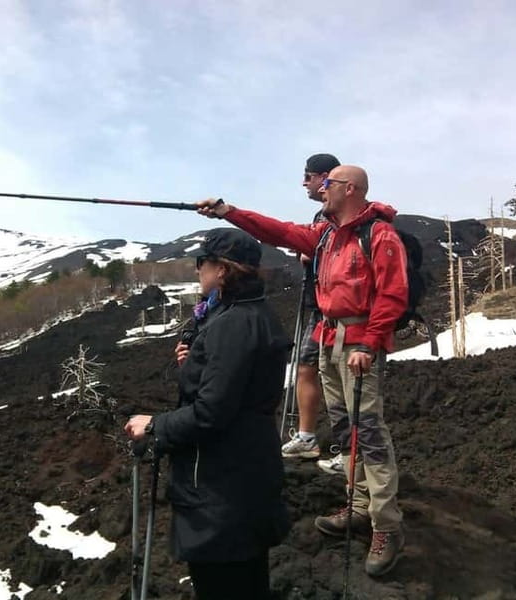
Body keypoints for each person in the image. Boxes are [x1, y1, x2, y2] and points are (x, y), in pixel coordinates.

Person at [196, 165, 406, 577]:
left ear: (349, 189)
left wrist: (368, 342)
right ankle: (360, 505)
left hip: (357, 342)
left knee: (370, 432)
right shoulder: (325, 233)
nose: (320, 190)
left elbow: (393, 293)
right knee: (346, 429)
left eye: (327, 184)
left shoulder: (380, 235)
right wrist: (228, 211)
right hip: (330, 340)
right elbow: (277, 231)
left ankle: (387, 526)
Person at [124, 228, 291, 599]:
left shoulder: (232, 324)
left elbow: (211, 412)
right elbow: (232, 388)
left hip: (222, 489)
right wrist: (193, 364)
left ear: (222, 270)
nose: (198, 270)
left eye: (203, 263)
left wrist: (154, 425)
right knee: (249, 581)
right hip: (246, 474)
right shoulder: (248, 313)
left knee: (224, 584)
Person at [281, 153, 350, 479]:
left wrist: (309, 256)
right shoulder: (328, 216)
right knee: (311, 368)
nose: (303, 182)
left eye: (308, 176)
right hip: (322, 309)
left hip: (330, 312)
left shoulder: (332, 217)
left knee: (332, 376)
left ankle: (347, 451)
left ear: (325, 177)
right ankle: (318, 440)